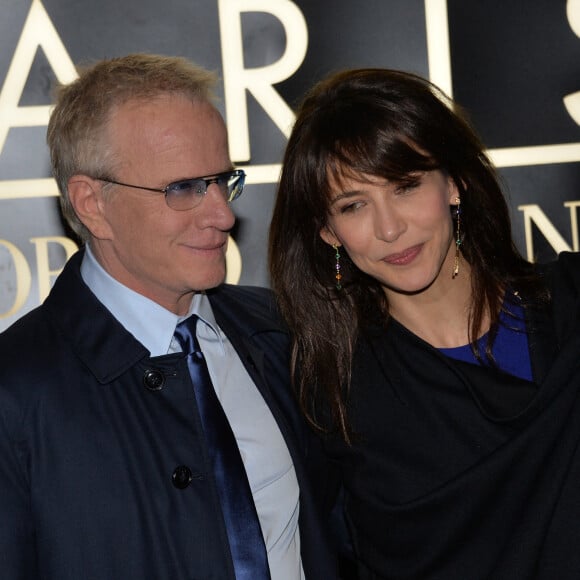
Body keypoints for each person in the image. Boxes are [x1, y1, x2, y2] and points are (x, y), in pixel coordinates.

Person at [0, 53, 337, 580]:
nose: (223, 215)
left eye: (222, 181)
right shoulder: (15, 393)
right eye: (183, 189)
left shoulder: (281, 334)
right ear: (91, 204)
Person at [268, 67, 580, 580]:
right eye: (353, 205)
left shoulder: (571, 306)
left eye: (406, 186)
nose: (390, 228)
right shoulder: (330, 393)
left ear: (454, 184)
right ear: (327, 232)